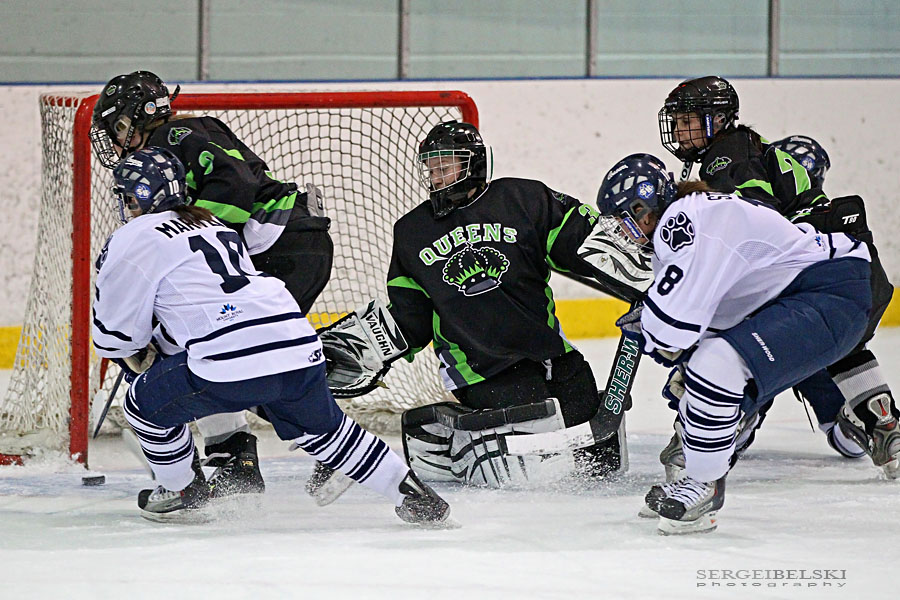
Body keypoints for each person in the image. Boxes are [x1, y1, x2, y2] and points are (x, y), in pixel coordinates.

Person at [92, 146, 449, 525]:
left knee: (142, 408)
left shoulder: (133, 236)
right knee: (328, 432)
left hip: (229, 357)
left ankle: (181, 490)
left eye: (129, 197)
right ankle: (412, 494)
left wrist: (149, 364)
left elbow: (117, 339)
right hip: (297, 341)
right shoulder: (211, 223)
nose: (127, 205)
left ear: (142, 196)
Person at [312, 121, 656, 499]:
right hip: (481, 368)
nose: (437, 175)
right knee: (543, 454)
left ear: (473, 163)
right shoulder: (412, 232)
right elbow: (410, 315)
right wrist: (361, 347)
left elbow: (584, 245)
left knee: (601, 457)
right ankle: (451, 438)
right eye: (431, 167)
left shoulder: (524, 200)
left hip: (551, 353)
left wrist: (652, 281)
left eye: (446, 164)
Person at [597, 153, 872, 534]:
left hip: (831, 293)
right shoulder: (694, 212)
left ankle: (705, 484)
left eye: (624, 220)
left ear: (645, 208)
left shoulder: (681, 221)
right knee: (706, 373)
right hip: (814, 294)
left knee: (716, 364)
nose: (624, 232)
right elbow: (707, 315)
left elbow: (673, 330)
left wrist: (649, 325)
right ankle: (701, 471)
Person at [91, 71, 334, 496]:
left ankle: (325, 447)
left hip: (282, 248)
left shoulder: (167, 142)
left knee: (235, 356)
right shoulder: (192, 129)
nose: (113, 139)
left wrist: (170, 248)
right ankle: (236, 458)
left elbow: (237, 185)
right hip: (294, 246)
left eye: (114, 127)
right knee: (216, 352)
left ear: (130, 121)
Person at [656, 76, 897, 476]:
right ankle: (886, 428)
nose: (680, 130)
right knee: (836, 345)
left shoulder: (725, 157)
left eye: (688, 120)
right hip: (856, 270)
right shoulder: (748, 148)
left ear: (717, 120)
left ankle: (713, 435)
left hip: (825, 270)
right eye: (677, 121)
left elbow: (752, 222)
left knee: (747, 341)